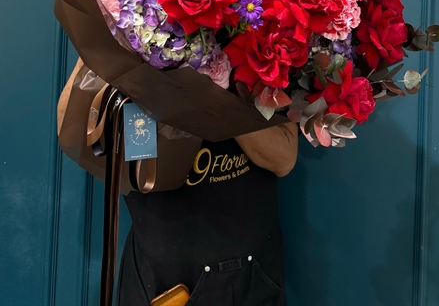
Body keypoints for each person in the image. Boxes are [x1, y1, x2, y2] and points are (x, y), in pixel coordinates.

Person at [59, 59, 298, 306]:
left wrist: (212, 86)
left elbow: (283, 159)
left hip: (248, 274)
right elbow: (70, 127)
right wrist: (105, 50)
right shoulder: (124, 42)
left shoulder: (265, 50)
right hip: (155, 276)